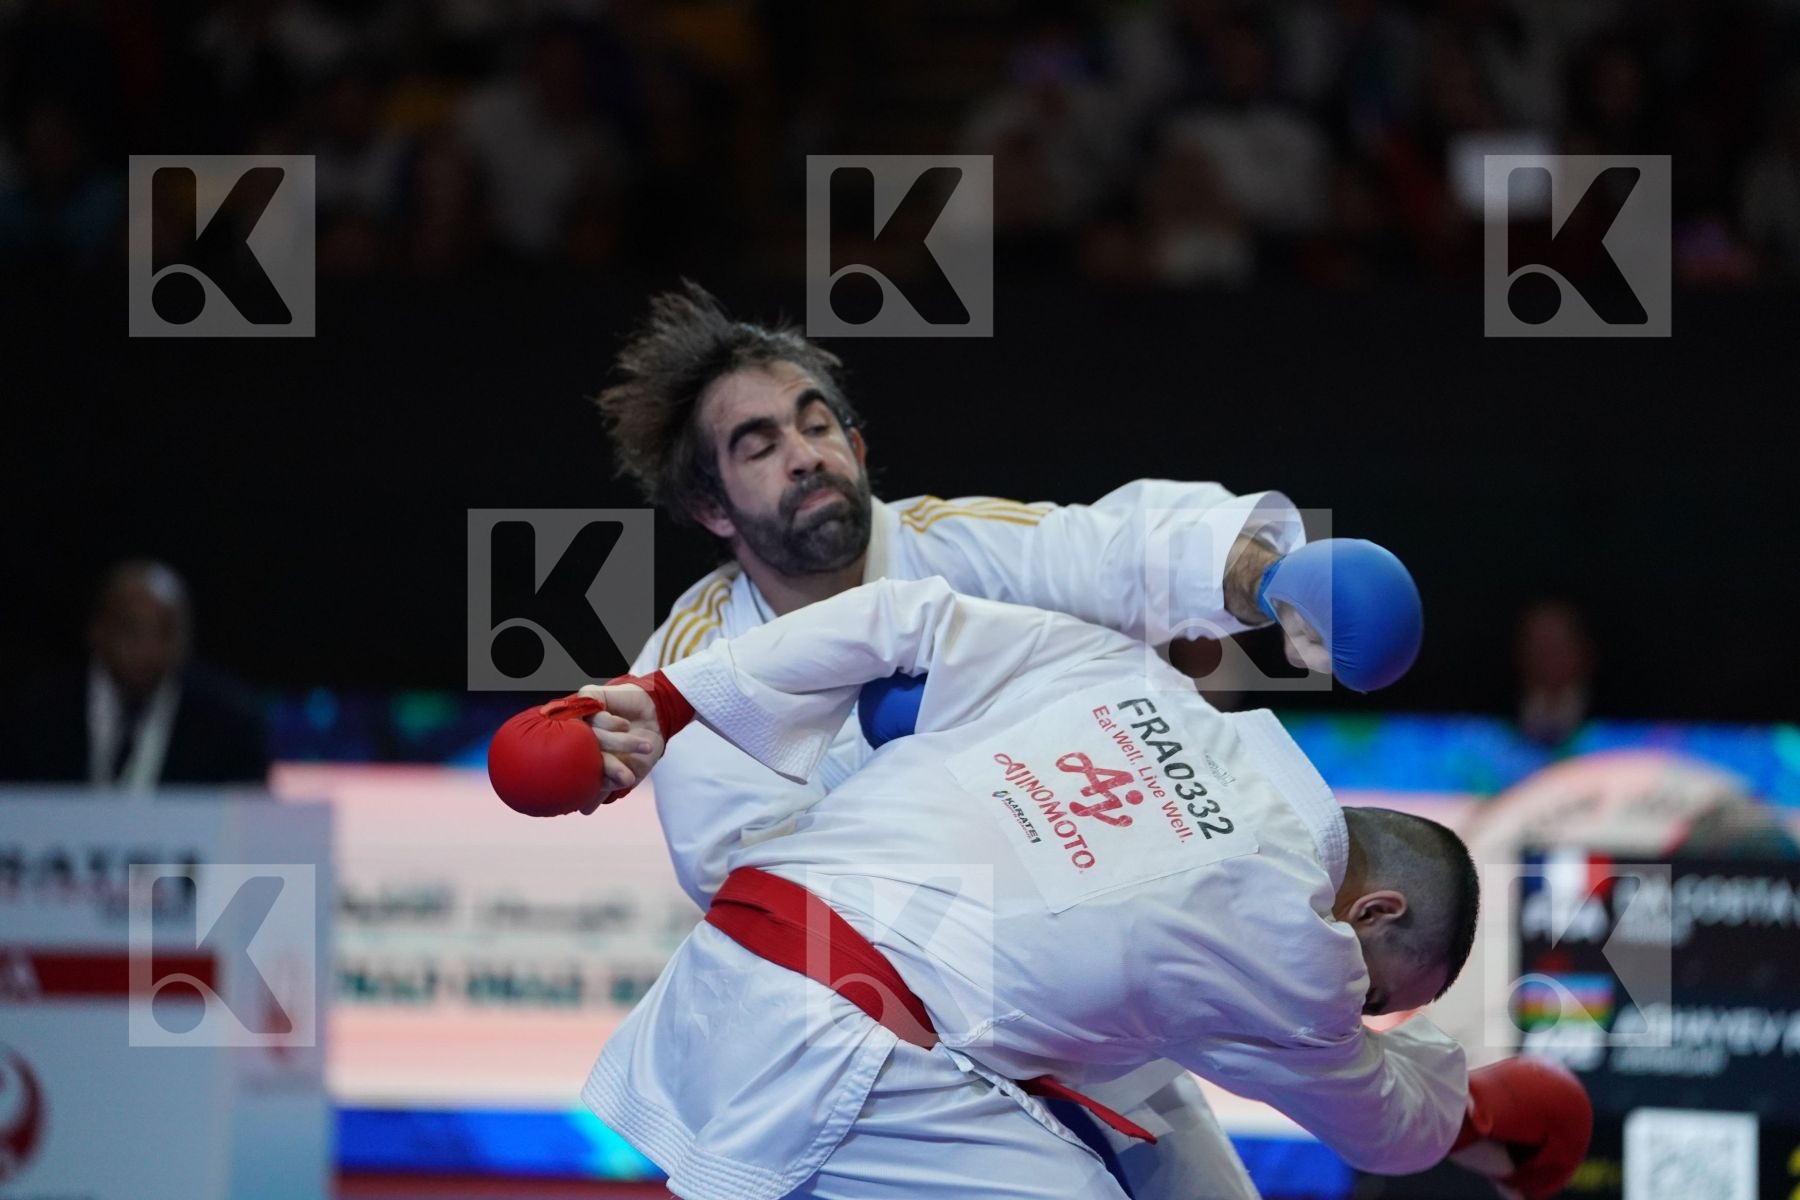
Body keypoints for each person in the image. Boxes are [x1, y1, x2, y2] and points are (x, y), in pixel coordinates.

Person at [585, 282, 1424, 1196]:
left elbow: (1106, 550)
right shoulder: (697, 665)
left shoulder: (949, 547)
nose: (804, 456)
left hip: (1068, 989)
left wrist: (1272, 582)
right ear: (712, 509)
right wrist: (936, 771)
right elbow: (760, 886)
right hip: (872, 1046)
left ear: (858, 448)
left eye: (817, 425)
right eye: (761, 446)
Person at [492, 576, 1590, 1200]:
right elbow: (1379, 1119)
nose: (1350, 1005)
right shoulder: (1288, 946)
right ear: (1375, 912)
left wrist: (669, 698)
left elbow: (902, 617)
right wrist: (1487, 1112)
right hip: (861, 1054)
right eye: (1375, 993)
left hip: (740, 967)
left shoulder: (1123, 674)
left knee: (1156, 1118)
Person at [0, 559, 270, 789]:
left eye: (164, 633)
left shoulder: (231, 724)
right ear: (97, 631)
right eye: (132, 631)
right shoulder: (35, 715)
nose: (147, 649)